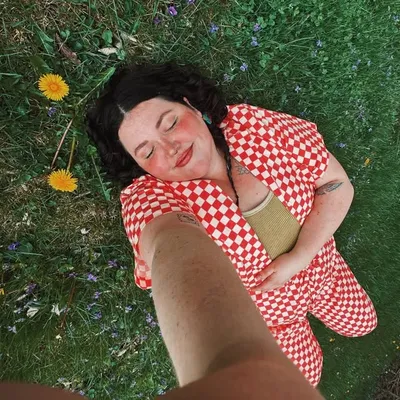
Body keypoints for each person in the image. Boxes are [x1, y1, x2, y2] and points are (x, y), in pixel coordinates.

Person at [85, 61, 378, 388]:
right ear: (139, 167)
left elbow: (335, 184)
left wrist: (302, 255)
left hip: (327, 272)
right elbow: (168, 245)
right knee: (303, 381)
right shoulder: (153, 197)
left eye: (170, 124)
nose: (170, 149)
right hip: (274, 323)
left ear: (190, 105)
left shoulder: (253, 127)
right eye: (147, 152)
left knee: (363, 323)